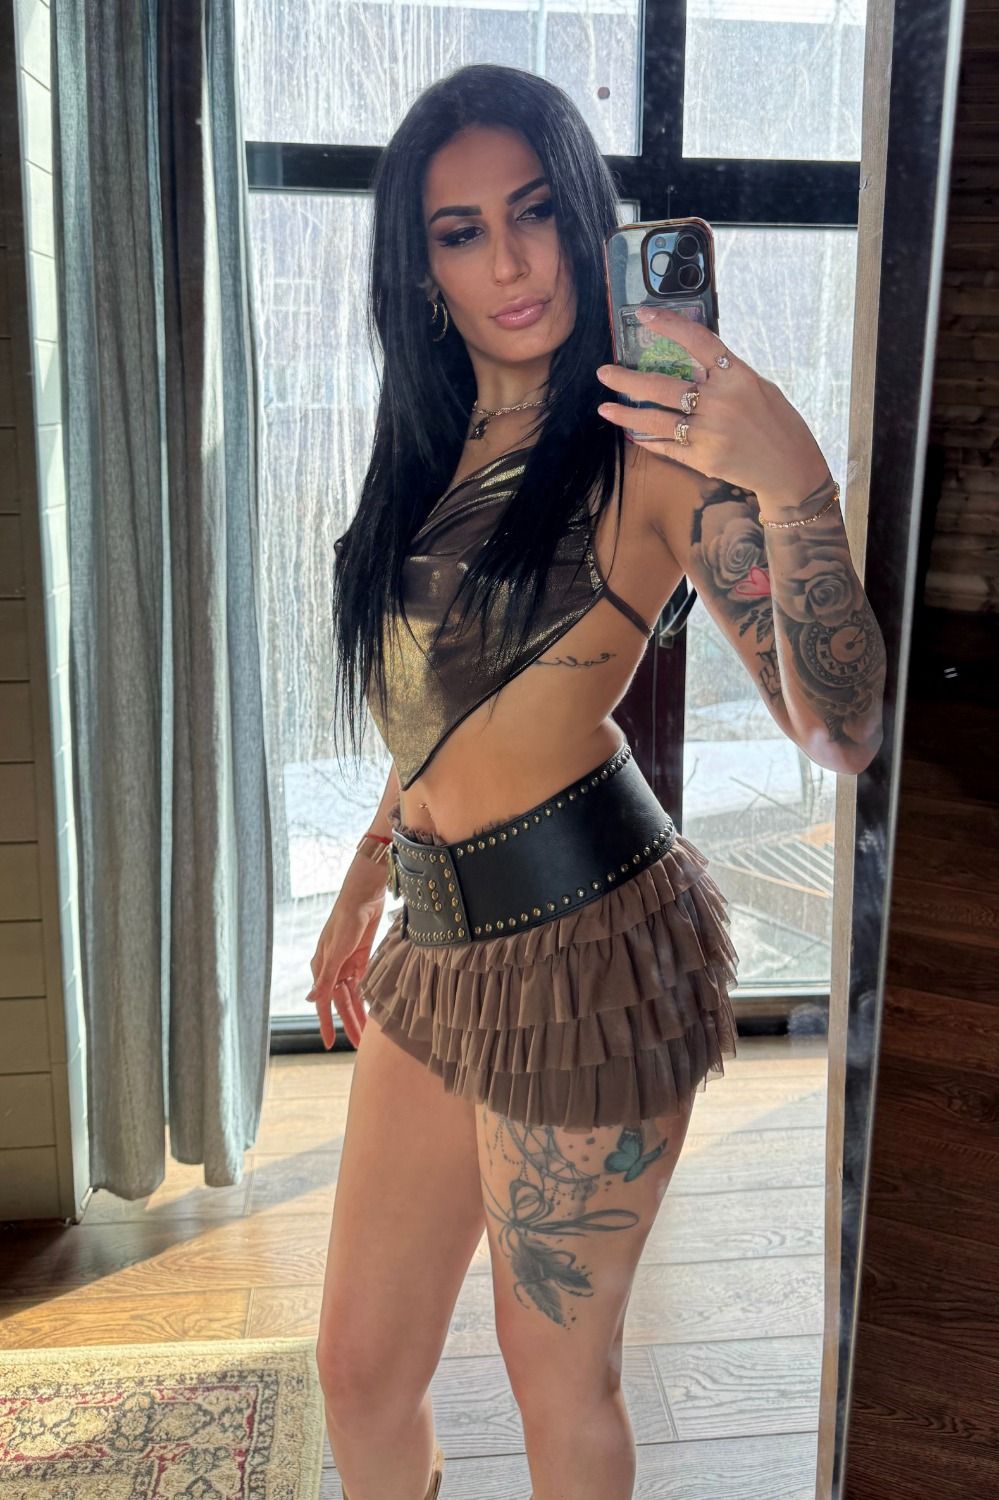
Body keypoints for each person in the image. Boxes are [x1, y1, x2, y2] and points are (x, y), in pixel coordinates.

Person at [306, 63, 886, 1500]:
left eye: (534, 215)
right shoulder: (426, 442)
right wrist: (370, 873)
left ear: (582, 220)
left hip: (590, 950)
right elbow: (427, 705)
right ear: (421, 268)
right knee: (359, 1368)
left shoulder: (659, 448)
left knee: (553, 1369)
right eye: (460, 232)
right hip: (436, 941)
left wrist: (795, 481)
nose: (509, 263)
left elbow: (841, 729)